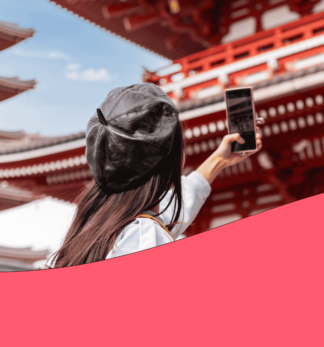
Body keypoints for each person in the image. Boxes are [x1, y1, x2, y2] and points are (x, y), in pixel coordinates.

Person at [49, 83, 263, 267]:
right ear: (169, 159)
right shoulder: (144, 237)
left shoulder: (95, 228)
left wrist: (219, 160)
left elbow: (170, 213)